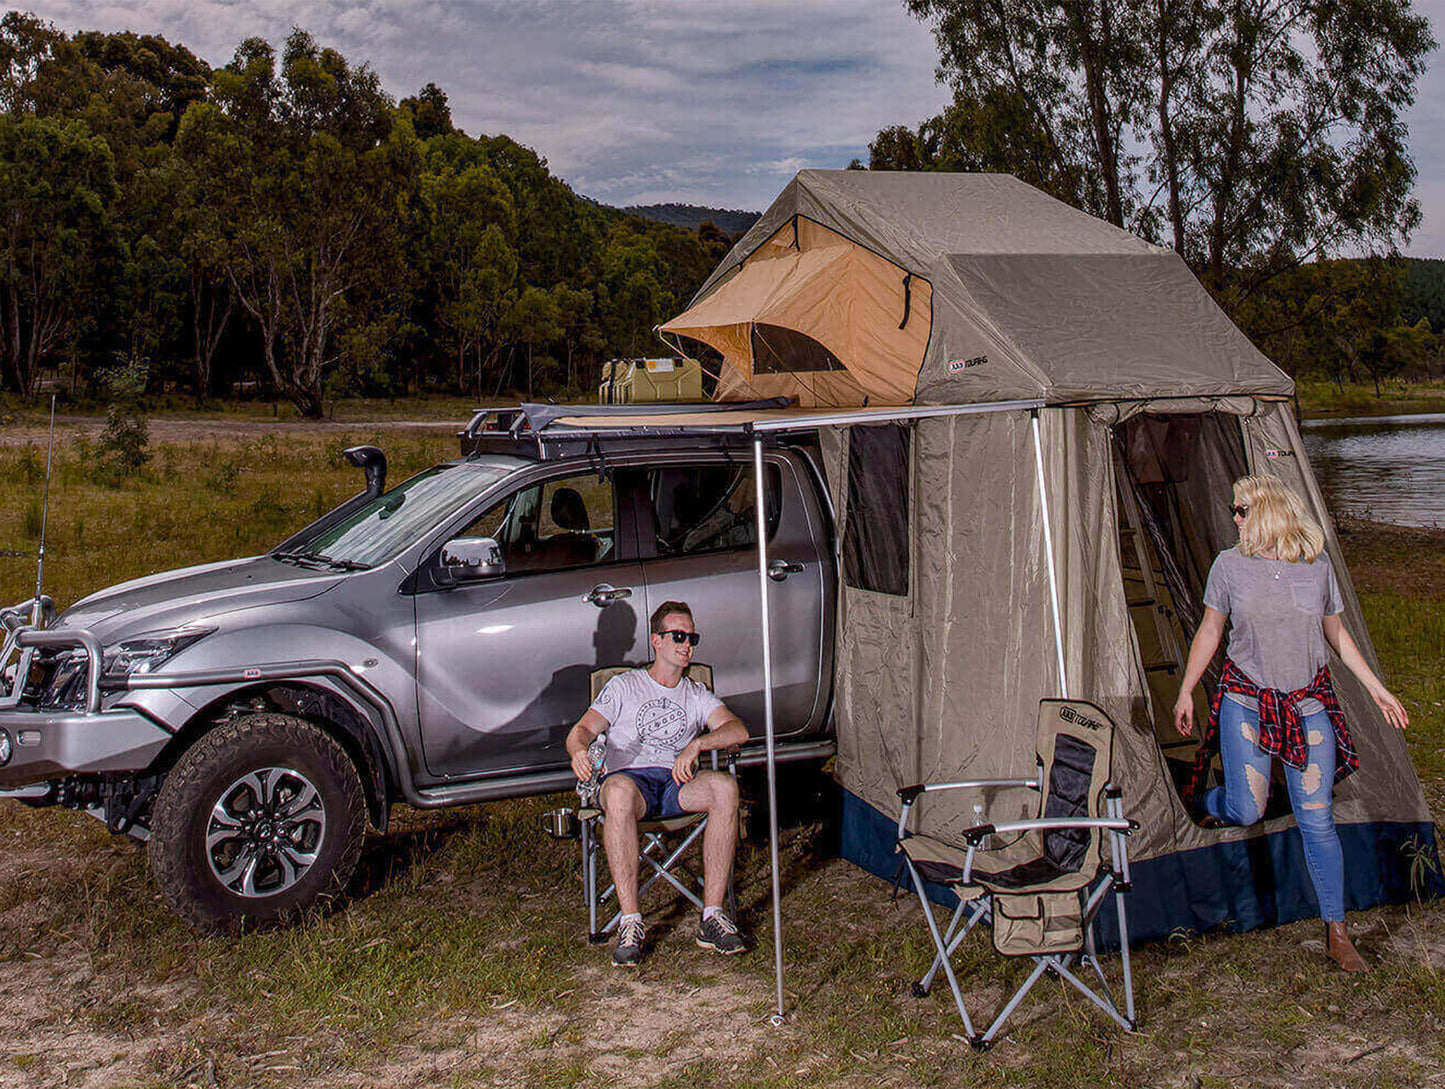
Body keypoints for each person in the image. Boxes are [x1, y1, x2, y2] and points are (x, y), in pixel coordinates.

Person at [1173, 474, 1409, 973]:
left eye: (1240, 509)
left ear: (1266, 511)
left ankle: (1337, 933)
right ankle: (1204, 801)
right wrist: (1186, 689)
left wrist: (1377, 688)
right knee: (1247, 806)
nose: (1233, 517)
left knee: (1317, 819)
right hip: (1247, 701)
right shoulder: (1229, 567)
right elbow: (1210, 632)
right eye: (1234, 510)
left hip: (1307, 704)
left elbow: (1338, 637)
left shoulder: (1315, 566)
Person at [566, 600, 750, 967]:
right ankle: (631, 922)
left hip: (674, 783)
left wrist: (698, 744)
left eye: (691, 637)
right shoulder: (624, 686)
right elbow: (582, 730)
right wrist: (578, 752)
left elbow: (737, 730)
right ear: (656, 641)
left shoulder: (696, 694)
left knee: (724, 787)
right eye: (678, 636)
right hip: (630, 785)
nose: (687, 645)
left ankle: (711, 917)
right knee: (616, 792)